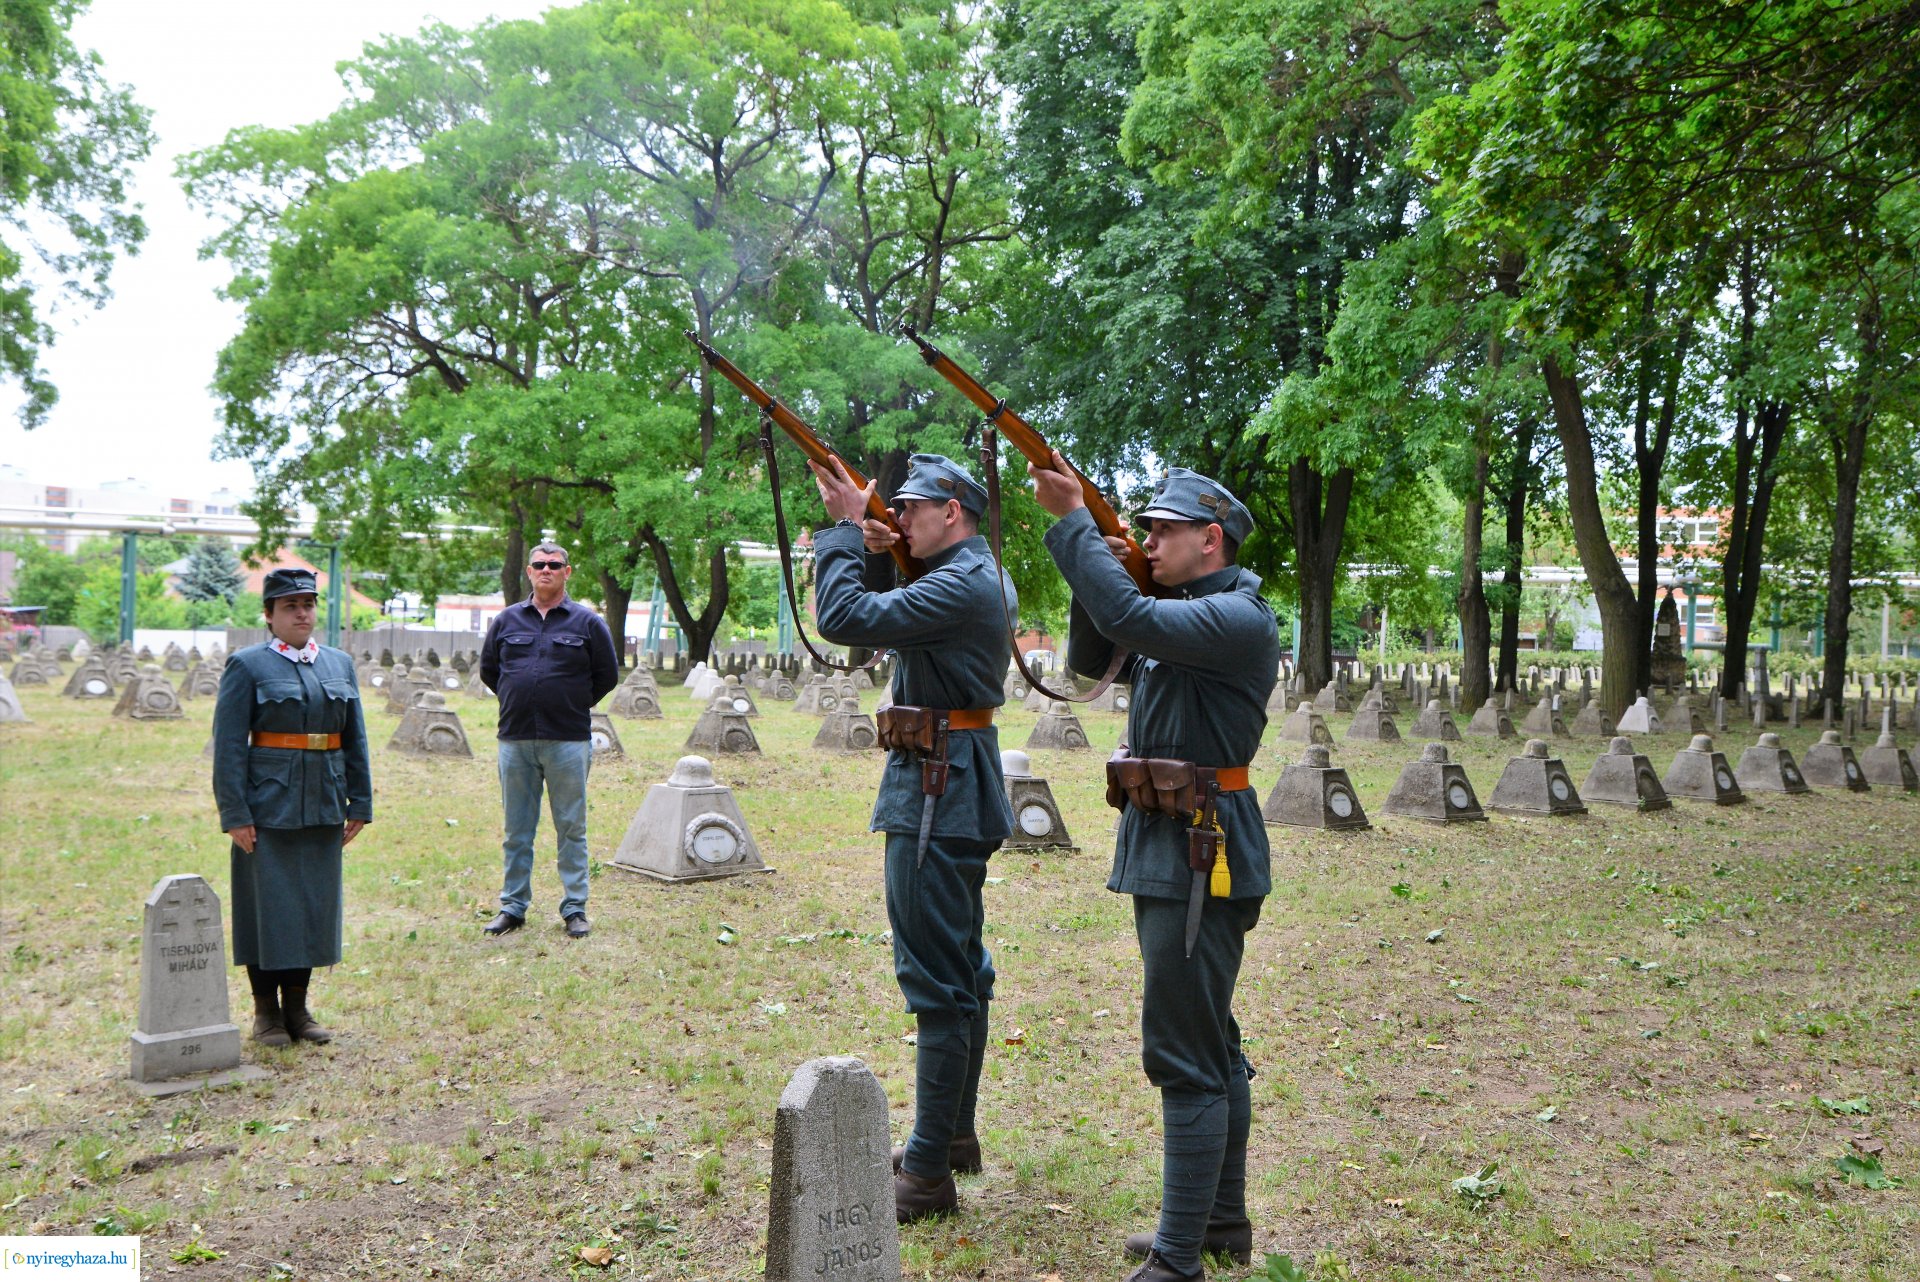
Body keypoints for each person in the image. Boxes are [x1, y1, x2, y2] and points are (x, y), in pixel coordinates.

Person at [1028, 456, 1278, 1282]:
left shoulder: (1236, 618)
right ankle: (1219, 1223)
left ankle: (1179, 1261)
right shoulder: (1179, 612)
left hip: (1200, 849)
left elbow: (1127, 613)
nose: (1151, 540)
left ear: (1212, 539)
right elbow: (1089, 656)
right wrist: (1101, 549)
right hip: (1176, 844)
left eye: (1164, 531)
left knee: (1184, 1051)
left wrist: (1074, 525)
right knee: (1211, 1038)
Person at [808, 453, 1016, 1225]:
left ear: (951, 511)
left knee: (936, 975)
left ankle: (928, 1172)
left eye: (911, 509)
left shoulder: (961, 580)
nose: (900, 521)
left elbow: (845, 620)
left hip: (936, 785)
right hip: (949, 776)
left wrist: (839, 534)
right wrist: (871, 543)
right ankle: (951, 1134)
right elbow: (894, 608)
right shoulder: (968, 573)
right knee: (961, 963)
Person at [212, 568, 373, 1047]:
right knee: (267, 907)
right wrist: (235, 813)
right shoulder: (248, 666)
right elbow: (228, 747)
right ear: (269, 615)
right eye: (290, 606)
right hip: (269, 805)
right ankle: (266, 1013)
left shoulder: (339, 665)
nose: (302, 613)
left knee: (311, 907)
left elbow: (355, 738)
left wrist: (360, 802)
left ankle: (299, 1009)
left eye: (308, 604)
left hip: (324, 800)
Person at [478, 541, 619, 939]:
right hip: (516, 739)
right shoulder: (506, 621)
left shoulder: (588, 623)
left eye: (554, 565)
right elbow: (490, 670)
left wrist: (572, 702)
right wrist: (516, 696)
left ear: (567, 572)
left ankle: (575, 909)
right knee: (516, 830)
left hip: (568, 741)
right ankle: (513, 906)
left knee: (571, 828)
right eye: (539, 564)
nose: (546, 570)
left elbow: (606, 676)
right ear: (528, 571)